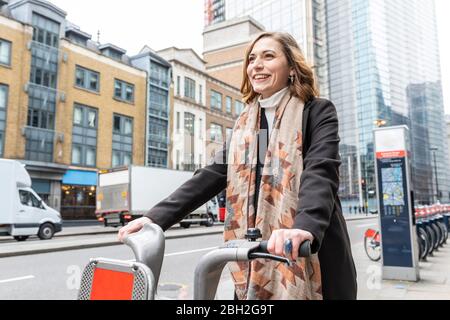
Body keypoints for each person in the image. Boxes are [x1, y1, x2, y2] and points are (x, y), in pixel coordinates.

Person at [118, 32, 357, 300]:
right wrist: (155, 218)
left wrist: (304, 225)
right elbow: (212, 175)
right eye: (252, 59)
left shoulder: (315, 111)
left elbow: (320, 170)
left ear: (291, 67)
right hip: (256, 256)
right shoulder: (248, 125)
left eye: (269, 56)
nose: (256, 64)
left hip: (310, 251)